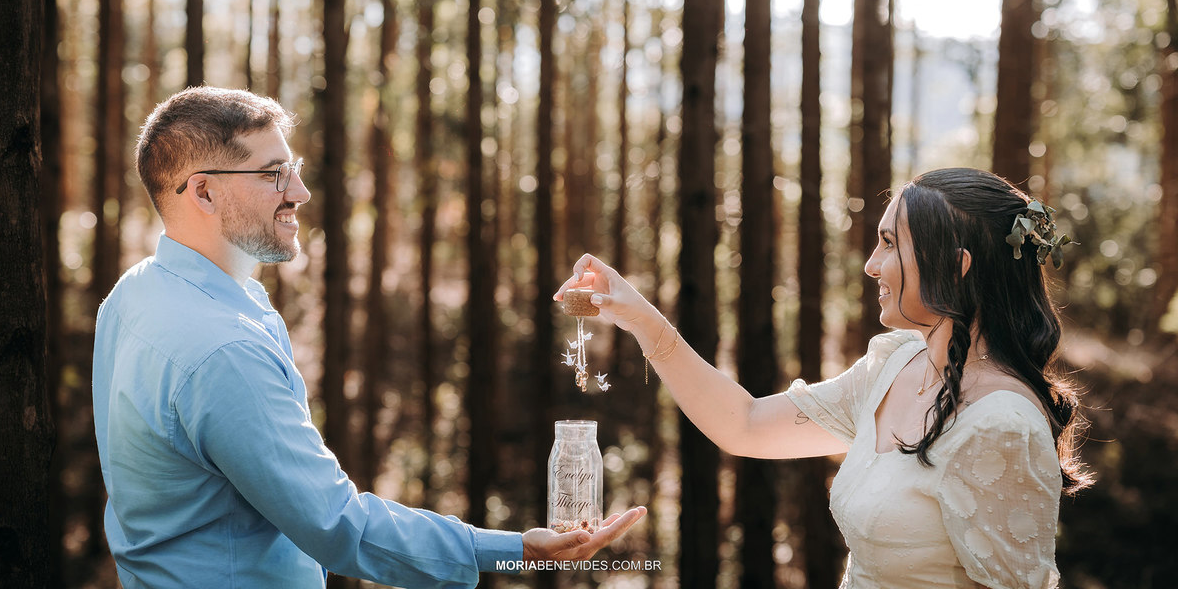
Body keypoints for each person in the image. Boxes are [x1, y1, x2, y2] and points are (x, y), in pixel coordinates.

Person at [93, 86, 645, 589]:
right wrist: (518, 548)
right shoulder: (223, 351)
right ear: (205, 194)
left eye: (296, 168)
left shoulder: (134, 295)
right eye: (273, 174)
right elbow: (340, 527)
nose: (301, 192)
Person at [555, 167, 1091, 589]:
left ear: (957, 266)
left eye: (889, 244)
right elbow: (745, 424)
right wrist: (644, 320)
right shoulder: (895, 366)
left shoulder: (1003, 424)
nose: (871, 265)